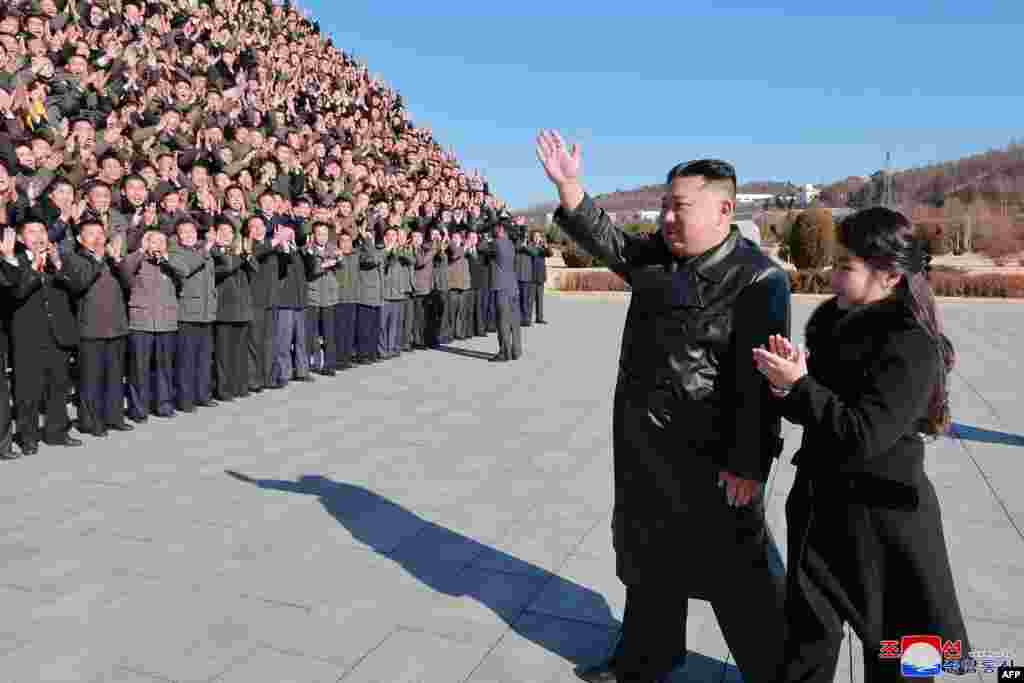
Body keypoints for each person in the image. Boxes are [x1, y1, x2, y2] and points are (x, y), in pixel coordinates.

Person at [536, 130, 789, 683]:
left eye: (681, 207)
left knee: (741, 578)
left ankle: (779, 672)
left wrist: (749, 463)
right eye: (665, 206)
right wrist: (571, 188)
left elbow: (761, 385)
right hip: (646, 447)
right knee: (647, 563)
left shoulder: (758, 279)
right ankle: (646, 659)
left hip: (714, 459)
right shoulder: (656, 258)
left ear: (724, 209)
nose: (668, 218)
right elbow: (612, 242)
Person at [752, 207, 971, 683]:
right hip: (822, 514)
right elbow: (818, 414)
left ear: (890, 276)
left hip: (884, 527)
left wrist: (803, 386)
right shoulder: (836, 324)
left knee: (893, 656)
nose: (833, 276)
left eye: (845, 266)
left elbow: (863, 435)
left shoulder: (912, 345)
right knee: (807, 646)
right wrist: (786, 385)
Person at [1, 218, 82, 453]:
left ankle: (57, 432)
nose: (38, 236)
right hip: (28, 337)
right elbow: (16, 294)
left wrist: (57, 264)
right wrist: (35, 268)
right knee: (28, 393)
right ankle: (28, 438)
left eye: (42, 231)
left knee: (58, 387)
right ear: (20, 238)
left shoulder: (58, 260)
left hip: (58, 334)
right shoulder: (13, 263)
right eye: (31, 231)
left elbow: (77, 287)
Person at [64, 220, 131, 436]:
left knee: (115, 375)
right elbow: (80, 283)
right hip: (91, 328)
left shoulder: (111, 259)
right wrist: (98, 258)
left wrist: (117, 260)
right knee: (91, 378)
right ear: (79, 238)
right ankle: (90, 422)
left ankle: (114, 417)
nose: (97, 237)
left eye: (100, 233)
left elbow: (129, 284)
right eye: (91, 233)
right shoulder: (74, 258)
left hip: (117, 326)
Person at [121, 229, 178, 421]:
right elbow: (125, 270)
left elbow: (183, 274)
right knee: (139, 368)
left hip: (166, 320)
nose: (159, 245)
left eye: (162, 242)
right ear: (146, 243)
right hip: (141, 321)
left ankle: (164, 405)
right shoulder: (137, 261)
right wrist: (141, 252)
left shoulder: (169, 262)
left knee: (164, 367)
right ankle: (138, 409)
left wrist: (167, 260)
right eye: (154, 241)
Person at [168, 218, 218, 412]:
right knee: (186, 359)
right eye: (184, 232)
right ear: (178, 236)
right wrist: (206, 249)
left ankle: (202, 394)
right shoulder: (174, 252)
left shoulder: (203, 250)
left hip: (207, 312)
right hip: (187, 312)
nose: (189, 235)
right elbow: (185, 269)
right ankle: (185, 399)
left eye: (192, 231)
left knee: (204, 357)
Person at [212, 219, 254, 401]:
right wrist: (240, 256)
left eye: (230, 232)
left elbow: (255, 270)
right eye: (222, 231)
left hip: (242, 309)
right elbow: (225, 268)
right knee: (223, 354)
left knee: (239, 352)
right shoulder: (213, 252)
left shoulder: (239, 253)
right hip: (223, 311)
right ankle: (223, 389)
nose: (226, 235)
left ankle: (239, 385)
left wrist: (248, 254)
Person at [477, 221, 518, 362]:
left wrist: (484, 238)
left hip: (501, 288)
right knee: (513, 321)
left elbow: (480, 248)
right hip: (512, 287)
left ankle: (504, 353)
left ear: (500, 229)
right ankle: (516, 350)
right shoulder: (510, 244)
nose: (492, 231)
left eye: (494, 229)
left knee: (502, 322)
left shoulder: (496, 243)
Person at [530, 231, 551, 324]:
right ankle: (528, 318)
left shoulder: (543, 247)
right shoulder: (530, 246)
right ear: (532, 238)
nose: (537, 238)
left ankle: (539, 318)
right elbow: (533, 253)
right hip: (532, 276)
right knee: (530, 299)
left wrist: (545, 245)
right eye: (535, 236)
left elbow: (550, 254)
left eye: (538, 236)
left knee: (540, 299)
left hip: (540, 276)